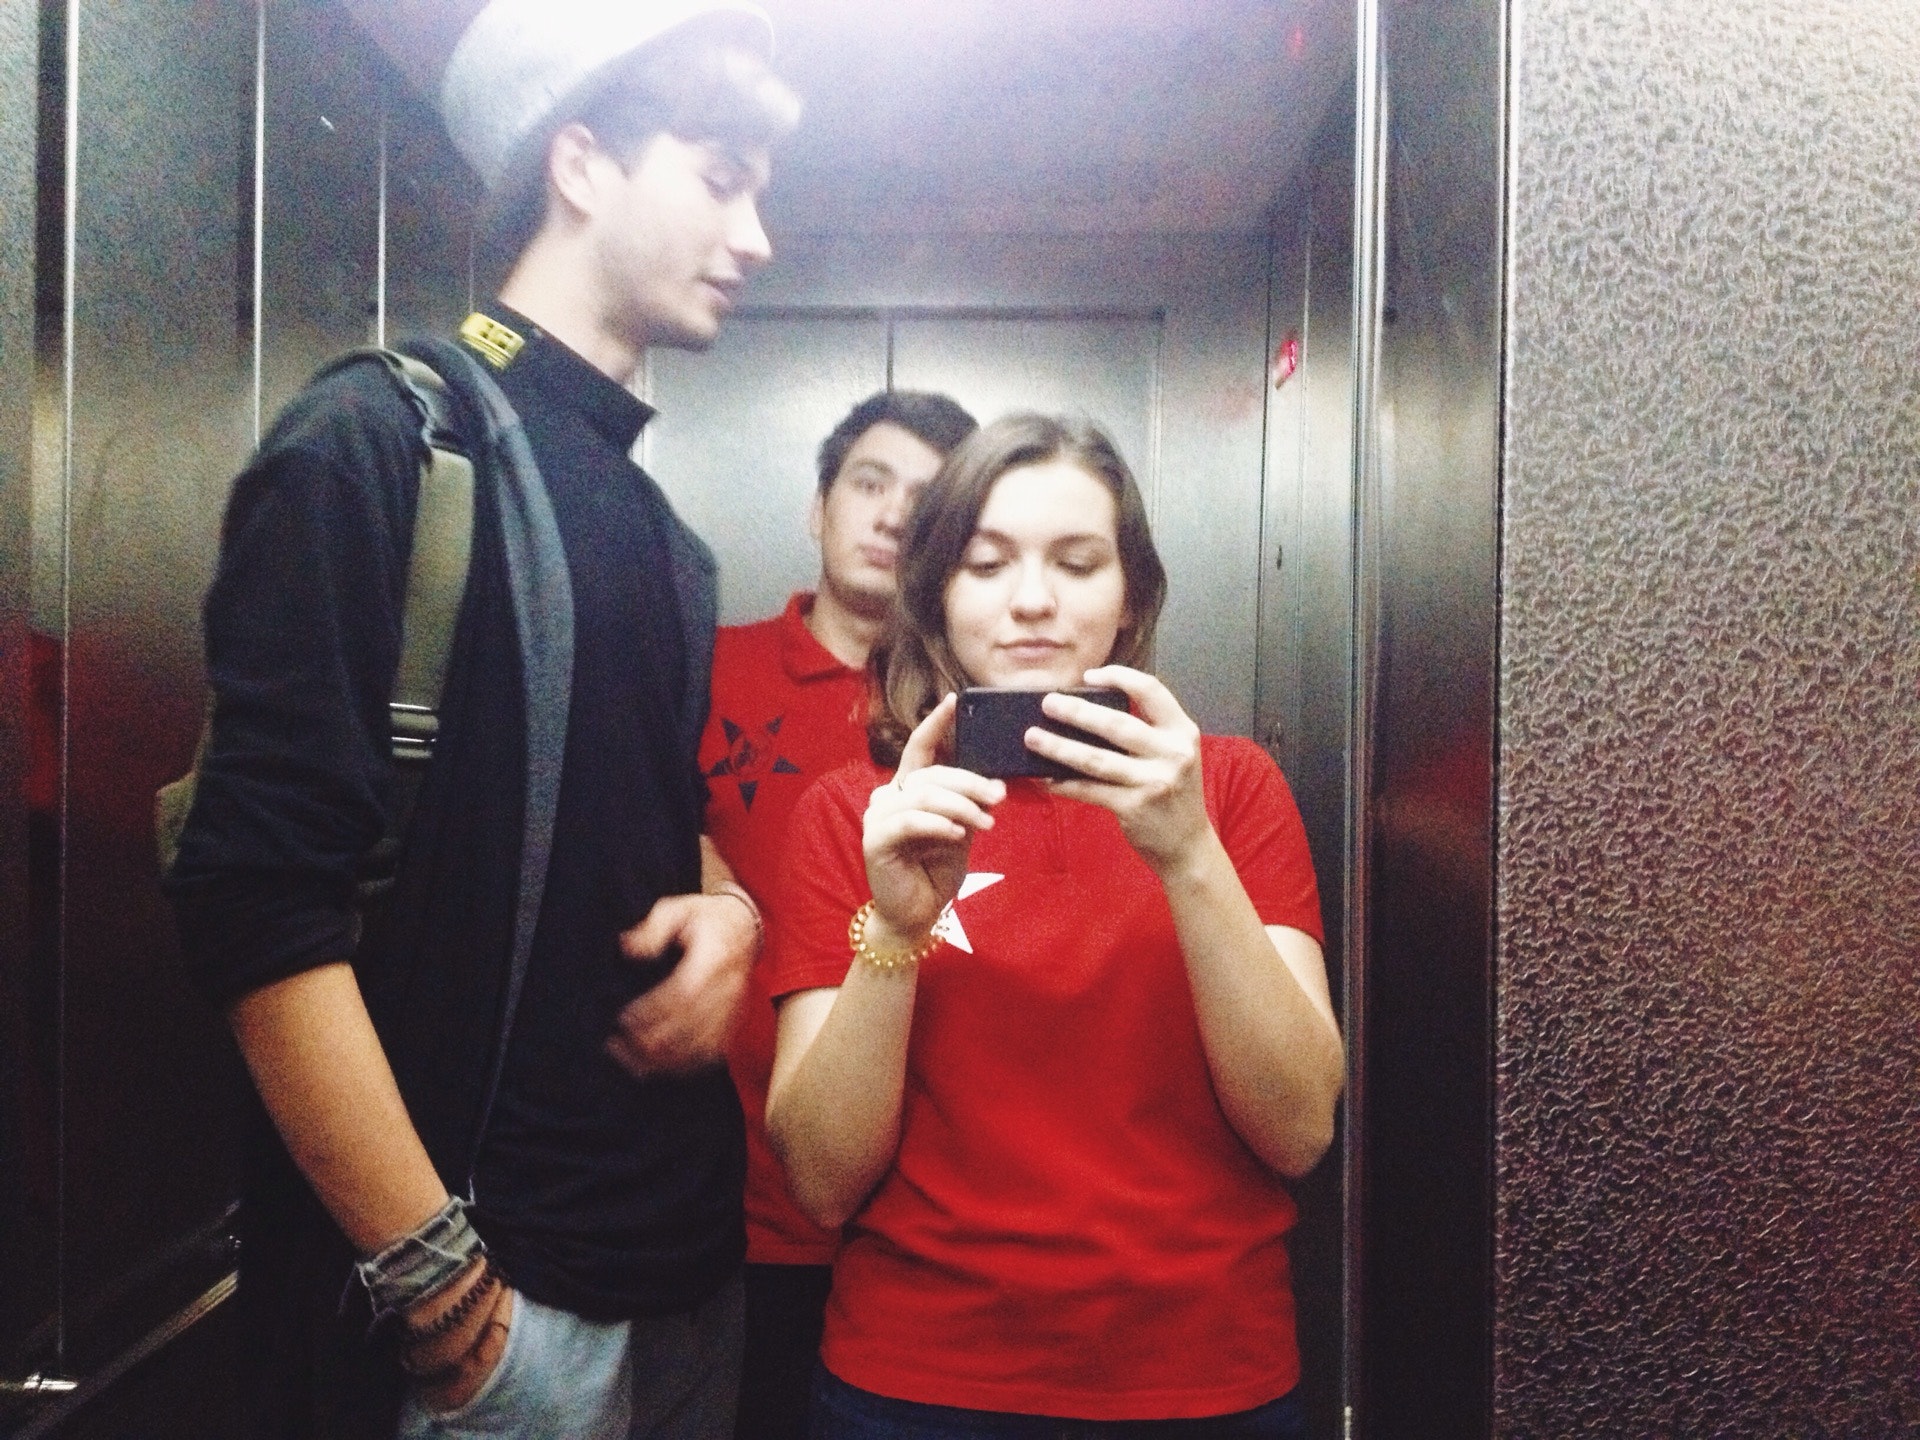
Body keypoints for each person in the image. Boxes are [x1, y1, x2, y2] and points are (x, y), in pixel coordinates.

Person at [162, 3, 798, 1436]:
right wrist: (442, 1293)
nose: (756, 236)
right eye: (720, 179)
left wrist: (732, 910)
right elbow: (254, 897)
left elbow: (625, 822)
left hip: (685, 1278)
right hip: (494, 1309)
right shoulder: (381, 442)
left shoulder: (666, 537)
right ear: (580, 163)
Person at [763, 414, 1345, 1437]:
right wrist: (895, 927)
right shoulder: (856, 814)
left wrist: (1188, 854)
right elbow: (820, 1181)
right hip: (919, 1383)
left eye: (1077, 564)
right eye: (987, 565)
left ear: (1130, 602)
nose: (1032, 600)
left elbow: (1299, 1129)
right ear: (937, 598)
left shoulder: (1232, 791)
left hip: (1208, 1374)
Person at [699, 390, 977, 1439]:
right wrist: (703, 868)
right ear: (819, 507)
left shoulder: (981, 706)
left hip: (933, 1221)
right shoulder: (707, 666)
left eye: (926, 499)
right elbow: (613, 817)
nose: (894, 514)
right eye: (870, 482)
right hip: (725, 1200)